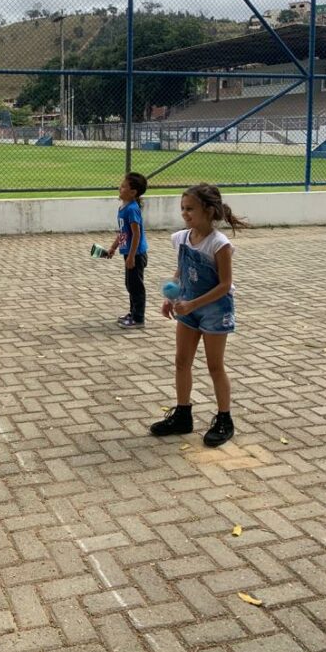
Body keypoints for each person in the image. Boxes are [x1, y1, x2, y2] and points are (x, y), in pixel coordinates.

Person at [150, 183, 247, 447]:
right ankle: (183, 414)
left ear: (208, 210)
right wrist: (171, 299)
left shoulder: (219, 244)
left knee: (215, 366)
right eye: (183, 208)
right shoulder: (182, 238)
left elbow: (225, 285)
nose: (185, 213)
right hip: (188, 308)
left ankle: (224, 419)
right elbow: (180, 270)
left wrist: (192, 305)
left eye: (190, 208)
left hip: (215, 311)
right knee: (181, 361)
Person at [108, 172, 148, 329]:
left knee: (136, 286)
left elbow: (136, 234)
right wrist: (113, 247)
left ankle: (138, 318)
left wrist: (131, 256)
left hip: (136, 254)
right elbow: (124, 233)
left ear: (133, 192)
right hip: (129, 253)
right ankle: (133, 313)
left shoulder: (131, 209)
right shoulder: (123, 208)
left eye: (124, 186)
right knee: (130, 284)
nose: (120, 187)